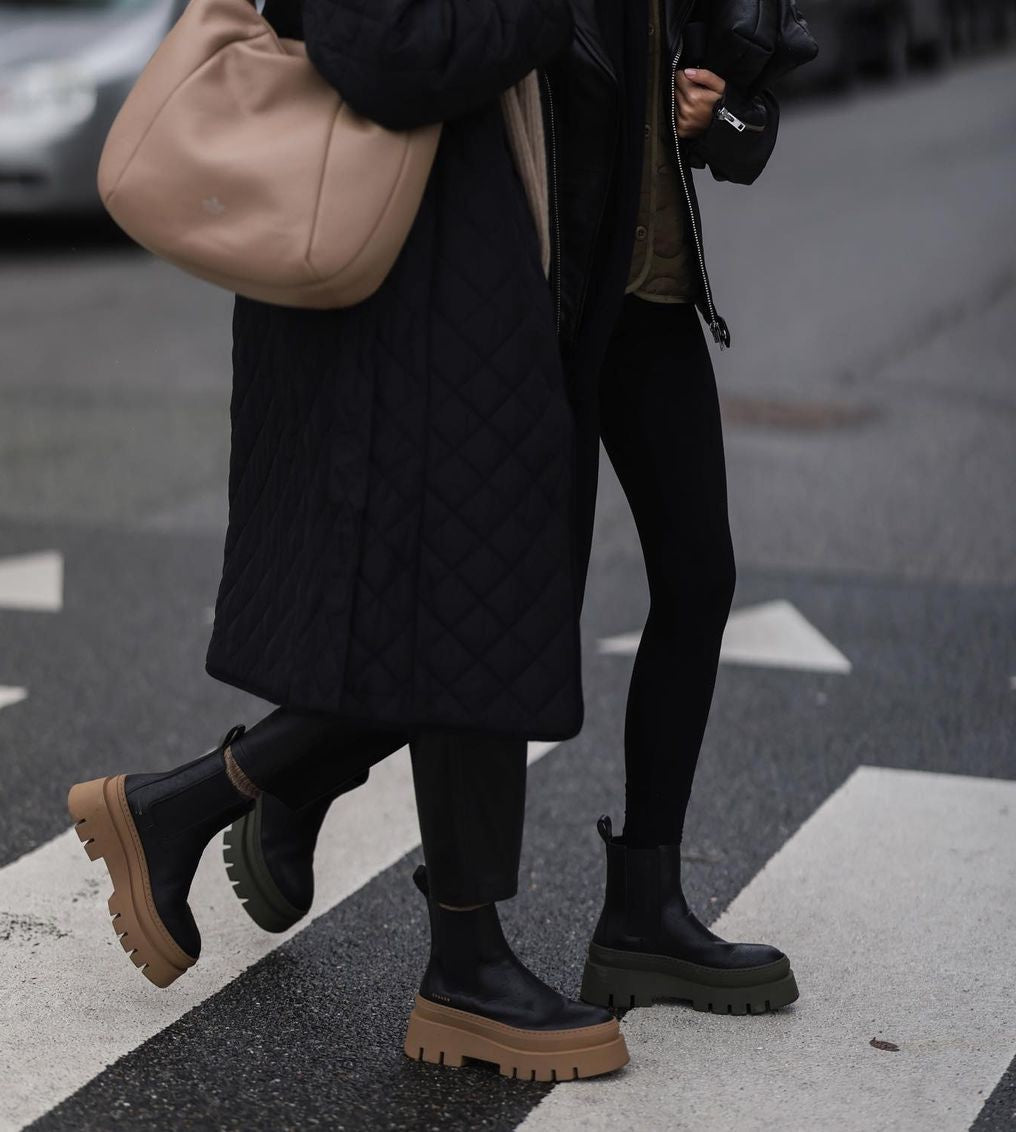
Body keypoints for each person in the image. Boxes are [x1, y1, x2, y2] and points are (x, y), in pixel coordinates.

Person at [67, 0, 632, 1086]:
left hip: (445, 276)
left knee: (466, 605)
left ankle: (189, 811)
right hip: (395, 294)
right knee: (467, 602)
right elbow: (385, 46)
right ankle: (460, 964)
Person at [213, 0, 799, 1032]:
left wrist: (726, 120)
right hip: (549, 302)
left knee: (699, 577)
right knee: (502, 624)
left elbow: (751, 100)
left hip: (652, 299)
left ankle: (643, 907)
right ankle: (265, 791)